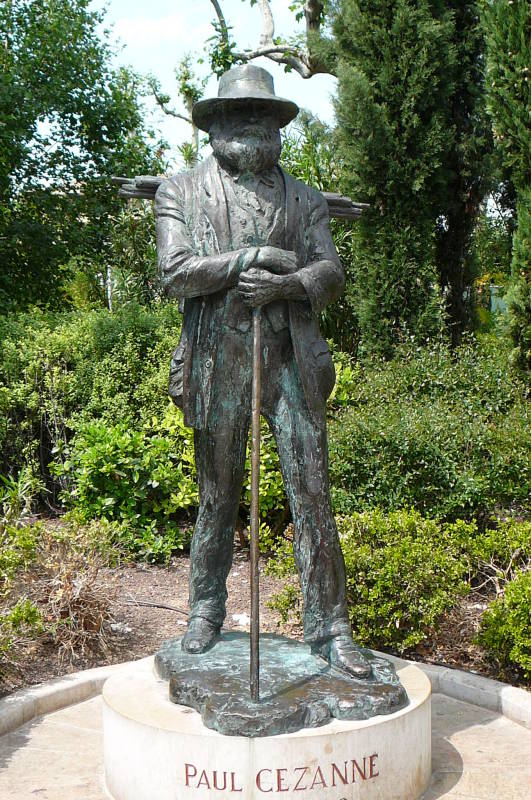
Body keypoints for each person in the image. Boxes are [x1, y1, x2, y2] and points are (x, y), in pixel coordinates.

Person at [155, 64, 371, 679]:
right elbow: (177, 273)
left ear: (279, 130)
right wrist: (248, 258)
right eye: (238, 116)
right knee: (217, 493)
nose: (253, 126)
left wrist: (288, 283)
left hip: (290, 360)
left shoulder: (304, 198)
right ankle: (204, 611)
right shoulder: (180, 191)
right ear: (214, 127)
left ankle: (330, 629)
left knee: (312, 495)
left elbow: (330, 271)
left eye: (266, 118)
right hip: (217, 359)